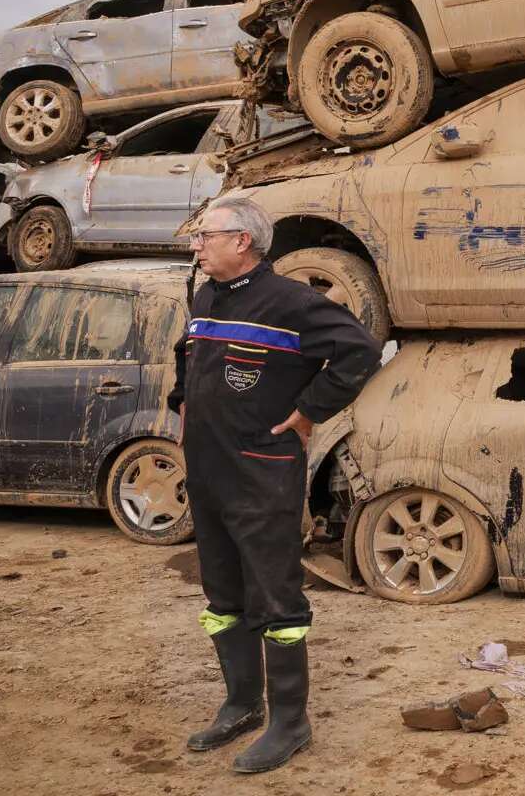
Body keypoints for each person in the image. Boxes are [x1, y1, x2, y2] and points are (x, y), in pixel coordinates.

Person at [168, 196, 381, 773]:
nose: (195, 245)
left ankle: (290, 721)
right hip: (208, 472)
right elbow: (188, 354)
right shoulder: (206, 293)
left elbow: (359, 351)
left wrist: (311, 409)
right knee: (223, 597)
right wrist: (183, 400)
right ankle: (241, 703)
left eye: (204, 235)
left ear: (242, 241)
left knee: (275, 599)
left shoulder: (291, 302)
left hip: (261, 473)